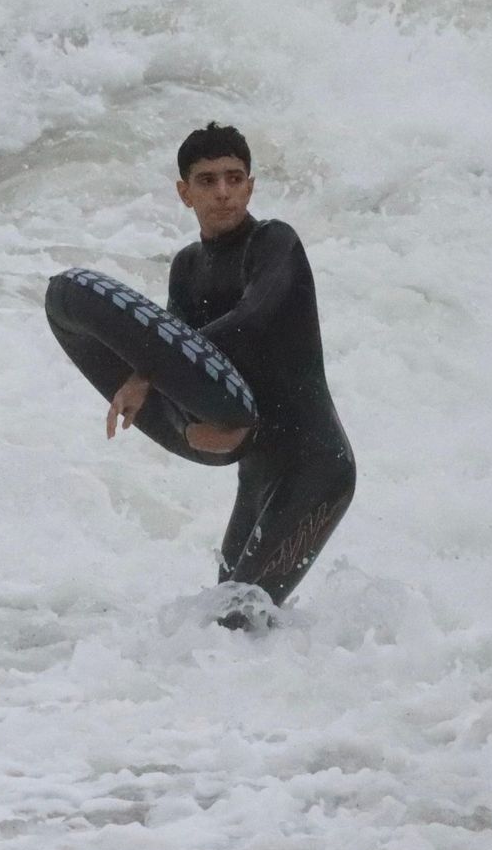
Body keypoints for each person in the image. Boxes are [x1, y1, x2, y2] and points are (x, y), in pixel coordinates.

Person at [104, 123, 356, 622]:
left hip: (316, 468)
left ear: (250, 185)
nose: (223, 192)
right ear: (184, 193)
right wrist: (174, 414)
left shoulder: (273, 243)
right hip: (259, 471)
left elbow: (251, 318)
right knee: (231, 617)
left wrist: (146, 371)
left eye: (234, 178)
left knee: (239, 619)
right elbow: (180, 365)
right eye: (207, 180)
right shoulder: (186, 267)